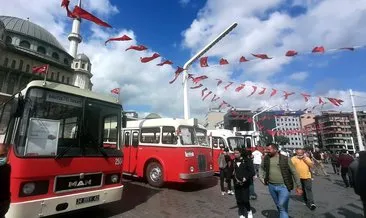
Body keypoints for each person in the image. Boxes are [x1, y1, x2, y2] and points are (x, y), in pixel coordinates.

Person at [260, 143, 302, 218]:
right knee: (279, 206)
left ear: (275, 149)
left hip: (284, 187)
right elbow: (261, 168)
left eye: (269, 149)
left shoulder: (285, 159)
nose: (267, 151)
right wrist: (262, 178)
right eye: (266, 149)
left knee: (281, 205)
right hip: (271, 186)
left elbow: (294, 172)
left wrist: (299, 186)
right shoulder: (266, 158)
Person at [233, 148, 255, 218]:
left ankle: (249, 211)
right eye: (234, 153)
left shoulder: (247, 160)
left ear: (240, 153)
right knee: (239, 200)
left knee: (245, 199)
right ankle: (241, 213)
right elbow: (231, 171)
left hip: (245, 184)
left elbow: (252, 172)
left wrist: (246, 177)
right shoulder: (233, 161)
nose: (235, 154)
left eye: (237, 153)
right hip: (236, 184)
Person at [349, 151, 366, 217]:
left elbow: (350, 178)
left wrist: (353, 186)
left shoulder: (352, 164)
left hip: (361, 188)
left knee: (364, 204)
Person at [0, 143, 10, 218]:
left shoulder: (7, 167)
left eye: (3, 155)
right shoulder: (8, 167)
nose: (2, 158)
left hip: (4, 202)